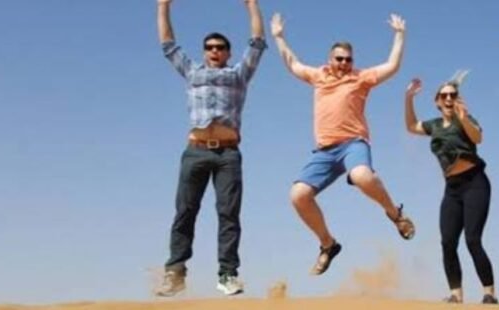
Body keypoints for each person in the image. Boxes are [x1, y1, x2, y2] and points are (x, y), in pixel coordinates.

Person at [269, 11, 416, 276]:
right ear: (330, 59)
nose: (344, 63)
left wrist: (399, 35)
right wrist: (279, 37)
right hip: (325, 150)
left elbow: (392, 66)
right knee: (298, 196)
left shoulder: (361, 78)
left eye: (348, 59)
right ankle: (328, 244)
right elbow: (292, 64)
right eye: (339, 59)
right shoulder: (319, 76)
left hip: (353, 144)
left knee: (361, 176)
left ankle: (395, 214)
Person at [154, 0, 266, 297]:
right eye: (209, 47)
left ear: (227, 52)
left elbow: (257, 43)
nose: (214, 51)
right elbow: (168, 45)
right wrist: (163, 6)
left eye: (219, 47)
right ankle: (175, 273)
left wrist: (251, 5)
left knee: (228, 214)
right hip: (196, 151)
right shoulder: (192, 72)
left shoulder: (238, 75)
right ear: (204, 52)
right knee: (185, 211)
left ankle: (227, 274)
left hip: (228, 153)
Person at [403, 74, 499, 304]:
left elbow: (478, 138)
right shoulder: (434, 125)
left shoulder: (465, 118)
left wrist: (464, 118)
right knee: (447, 242)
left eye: (452, 95)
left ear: (457, 99)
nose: (448, 98)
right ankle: (456, 295)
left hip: (475, 183)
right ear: (437, 101)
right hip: (452, 189)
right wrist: (408, 99)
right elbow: (411, 126)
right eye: (443, 96)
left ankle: (489, 294)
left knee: (473, 240)